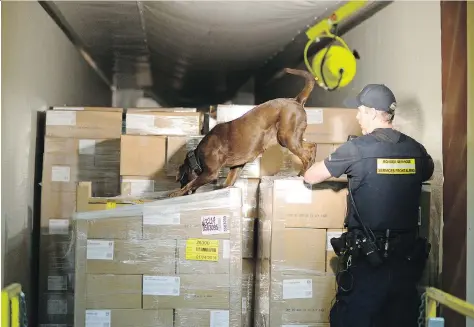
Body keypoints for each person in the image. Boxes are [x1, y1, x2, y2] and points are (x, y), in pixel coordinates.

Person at [303, 84, 434, 327]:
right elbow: (426, 173)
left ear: (374, 113)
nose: (357, 116)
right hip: (405, 262)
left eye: (361, 111)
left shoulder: (357, 149)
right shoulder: (416, 150)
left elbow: (311, 176)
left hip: (367, 261)